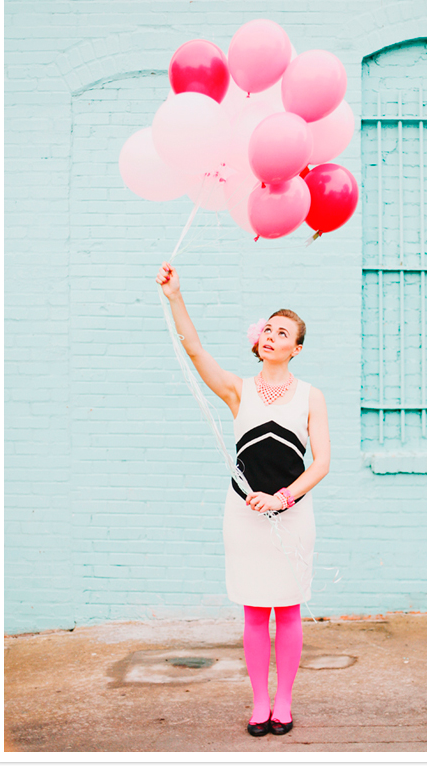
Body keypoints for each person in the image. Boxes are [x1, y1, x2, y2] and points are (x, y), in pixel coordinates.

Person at [156, 261, 331, 737]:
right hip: (243, 515)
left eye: (283, 332)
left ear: (296, 348)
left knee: (289, 607)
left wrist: (284, 499)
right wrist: (176, 297)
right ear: (259, 340)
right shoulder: (238, 390)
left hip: (291, 517)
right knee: (255, 609)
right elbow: (195, 351)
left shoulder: (311, 396)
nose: (272, 335)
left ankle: (285, 704)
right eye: (268, 328)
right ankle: (259, 706)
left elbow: (321, 464)